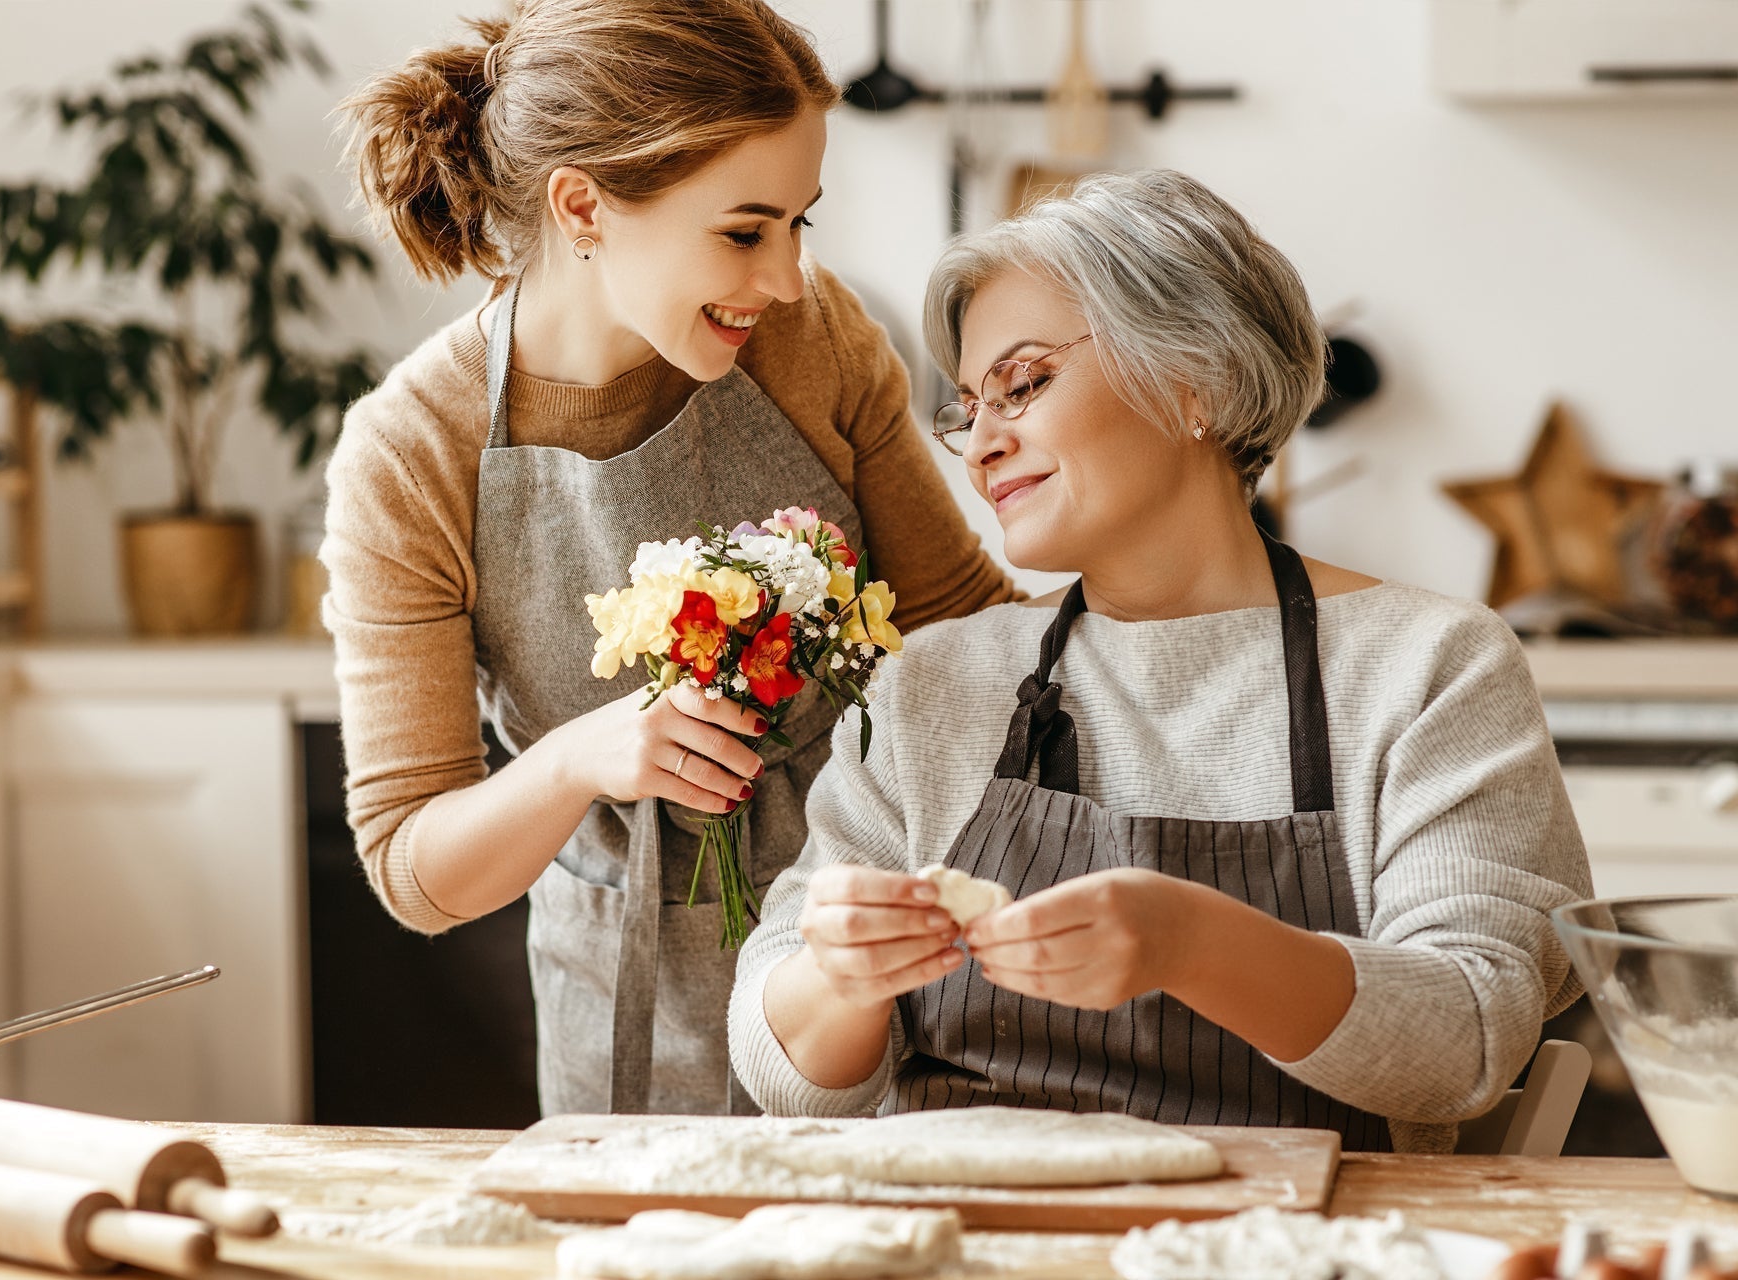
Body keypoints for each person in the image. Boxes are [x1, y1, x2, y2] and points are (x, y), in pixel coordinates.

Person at [730, 169, 1592, 1152]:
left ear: (1201, 379)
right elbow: (783, 1072)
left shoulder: (1429, 666)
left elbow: (1467, 1040)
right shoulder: (933, 680)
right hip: (958, 1237)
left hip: (1291, 1246)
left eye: (1022, 383)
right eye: (971, 407)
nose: (981, 446)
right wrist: (840, 975)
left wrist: (1193, 940)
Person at [323, 0, 1016, 1118]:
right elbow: (417, 870)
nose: (787, 276)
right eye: (746, 232)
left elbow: (966, 634)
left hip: (875, 958)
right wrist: (576, 760)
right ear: (584, 205)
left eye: (801, 223)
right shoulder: (413, 451)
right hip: (629, 1015)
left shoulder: (809, 337)